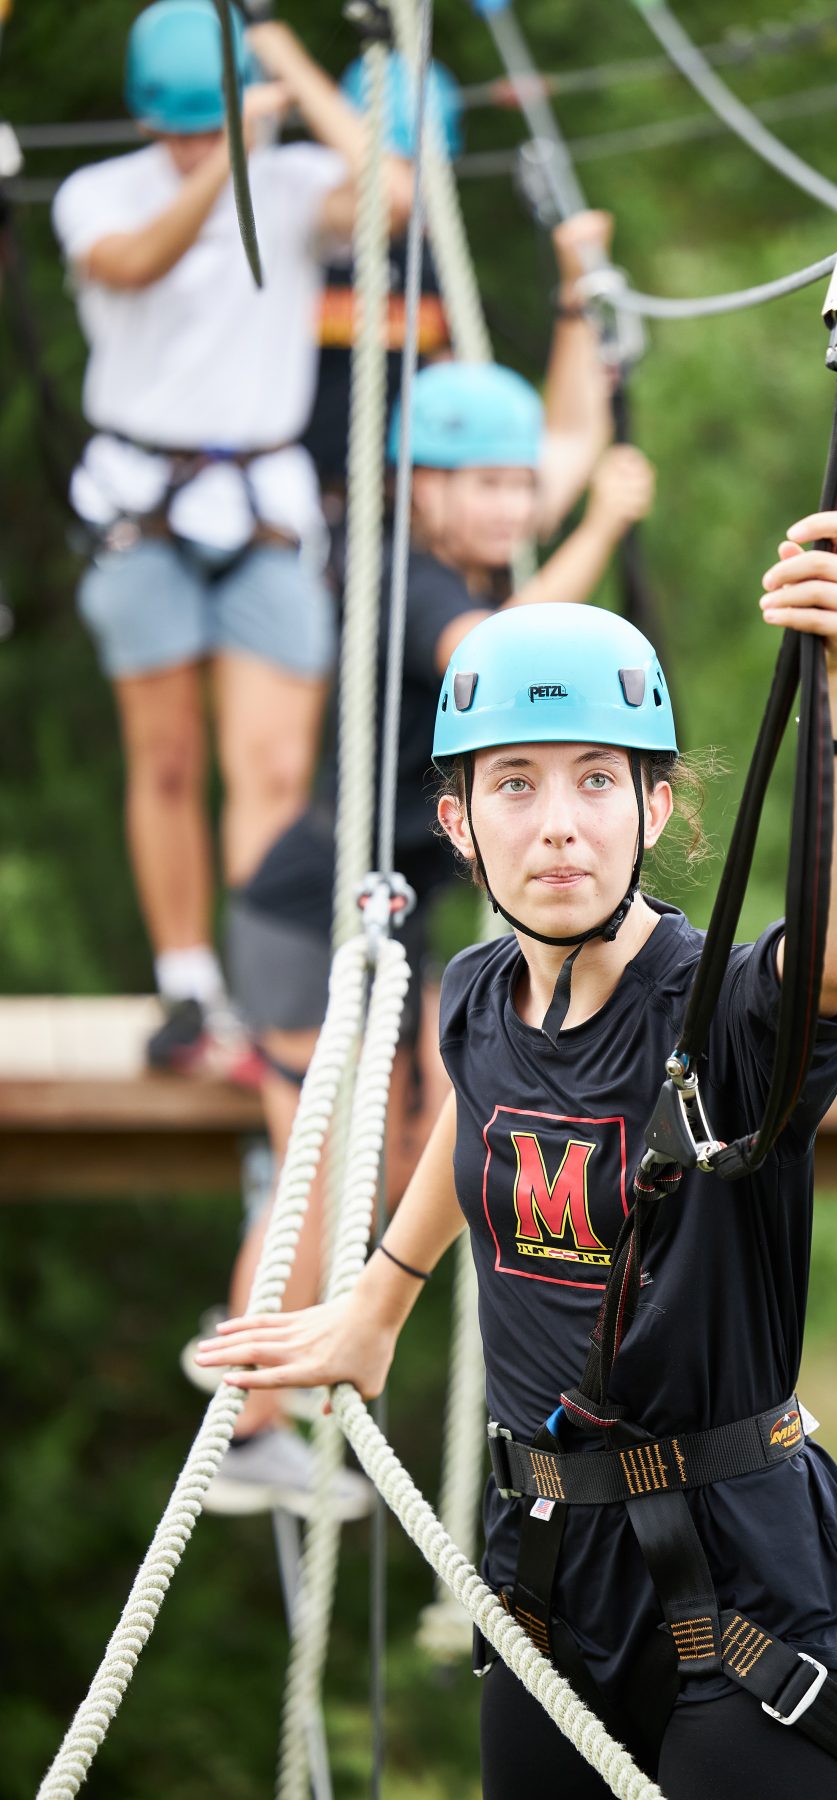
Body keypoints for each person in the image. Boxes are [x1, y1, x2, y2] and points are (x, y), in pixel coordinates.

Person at [196, 509, 837, 1799]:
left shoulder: (721, 1017)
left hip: (746, 1587)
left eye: (594, 778)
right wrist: (378, 1302)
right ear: (459, 824)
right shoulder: (474, 998)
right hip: (554, 1582)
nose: (558, 823)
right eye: (514, 783)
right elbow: (479, 1112)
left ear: (655, 805)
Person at [190, 268, 656, 1516]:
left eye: (520, 489)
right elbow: (519, 660)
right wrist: (601, 522)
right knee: (322, 1156)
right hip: (309, 909)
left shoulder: (474, 553)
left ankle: (282, 1328)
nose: (513, 507)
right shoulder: (413, 583)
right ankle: (248, 1418)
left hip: (383, 907)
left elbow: (567, 442)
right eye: (488, 486)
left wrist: (571, 308)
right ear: (422, 487)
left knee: (402, 1151)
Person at [51, 2, 411, 1079]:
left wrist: (285, 61)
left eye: (207, 126)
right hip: (139, 500)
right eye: (179, 128)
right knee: (164, 760)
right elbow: (135, 264)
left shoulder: (296, 182)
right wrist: (234, 160)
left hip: (263, 500)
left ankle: (259, 994)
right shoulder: (98, 193)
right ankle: (186, 983)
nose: (193, 145)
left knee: (268, 766)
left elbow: (397, 197)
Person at [303, 48, 462, 511]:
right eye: (394, 167)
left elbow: (444, 374)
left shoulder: (434, 267)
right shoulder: (303, 247)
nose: (406, 189)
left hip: (393, 502)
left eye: (416, 170)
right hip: (301, 490)